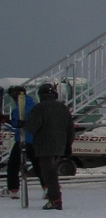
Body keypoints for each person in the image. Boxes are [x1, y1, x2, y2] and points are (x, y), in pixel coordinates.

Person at [24, 82, 73, 210]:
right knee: (53, 173)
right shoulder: (63, 108)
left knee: (49, 174)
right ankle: (55, 198)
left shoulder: (40, 108)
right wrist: (68, 144)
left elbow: (32, 127)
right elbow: (70, 128)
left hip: (44, 146)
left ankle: (55, 200)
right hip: (60, 146)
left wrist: (23, 123)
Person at [6, 85, 37, 197]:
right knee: (38, 165)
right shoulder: (35, 106)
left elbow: (16, 125)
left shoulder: (17, 110)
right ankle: (46, 188)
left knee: (13, 165)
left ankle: (13, 189)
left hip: (22, 140)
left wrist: (7, 121)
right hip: (35, 141)